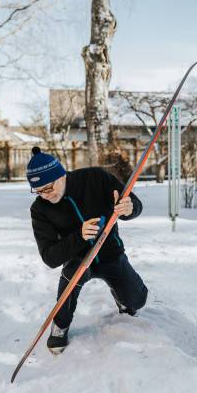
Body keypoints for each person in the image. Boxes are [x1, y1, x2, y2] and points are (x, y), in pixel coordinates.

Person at [26, 147, 148, 354]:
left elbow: (133, 203)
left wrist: (130, 208)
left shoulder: (96, 178)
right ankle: (60, 326)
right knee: (67, 291)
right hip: (78, 260)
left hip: (111, 254)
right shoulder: (40, 210)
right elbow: (50, 257)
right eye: (39, 191)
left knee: (137, 300)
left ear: (61, 175)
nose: (46, 196)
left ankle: (121, 296)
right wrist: (79, 237)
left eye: (48, 188)